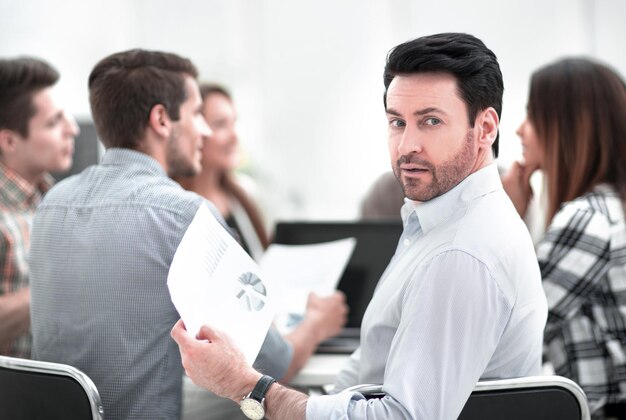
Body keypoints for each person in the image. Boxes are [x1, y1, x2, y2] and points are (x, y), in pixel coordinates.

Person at [170, 32, 548, 419]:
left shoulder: (462, 253)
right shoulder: (437, 223)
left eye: (431, 121)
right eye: (397, 123)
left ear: (485, 129)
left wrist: (246, 386)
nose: (406, 146)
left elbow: (402, 417)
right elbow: (370, 366)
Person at [29, 49, 347, 420]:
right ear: (162, 120)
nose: (206, 130)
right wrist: (316, 324)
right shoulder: (180, 214)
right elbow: (274, 361)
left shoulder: (52, 204)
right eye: (197, 114)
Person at [502, 57, 626, 418]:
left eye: (532, 116)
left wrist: (508, 216)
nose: (520, 131)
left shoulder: (587, 220)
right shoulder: (611, 208)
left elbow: (510, 332)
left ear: (567, 127)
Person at [0, 57, 78, 359]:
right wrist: (62, 280)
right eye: (53, 122)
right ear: (9, 140)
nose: (72, 129)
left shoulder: (54, 200)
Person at [175, 84, 268, 261]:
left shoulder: (241, 195)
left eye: (234, 122)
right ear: (195, 130)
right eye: (220, 124)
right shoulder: (177, 208)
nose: (235, 136)